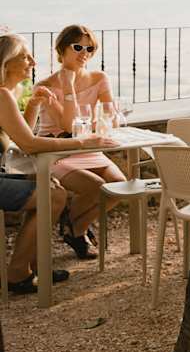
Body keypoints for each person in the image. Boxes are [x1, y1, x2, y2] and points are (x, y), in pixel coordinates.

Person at [0, 34, 114, 295]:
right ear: (6, 64)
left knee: (52, 189)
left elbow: (20, 137)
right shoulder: (2, 95)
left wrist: (34, 105)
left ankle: (34, 265)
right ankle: (18, 273)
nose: (32, 61)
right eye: (24, 57)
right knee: (51, 196)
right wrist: (81, 144)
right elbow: (29, 145)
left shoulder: (6, 95)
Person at [35, 25, 127, 260]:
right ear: (61, 49)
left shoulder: (99, 78)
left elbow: (110, 113)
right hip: (57, 149)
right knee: (96, 187)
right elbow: (68, 126)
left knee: (118, 186)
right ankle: (77, 231)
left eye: (90, 48)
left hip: (87, 146)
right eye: (78, 47)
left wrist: (113, 118)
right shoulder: (44, 86)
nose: (84, 53)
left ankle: (74, 226)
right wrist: (68, 85)